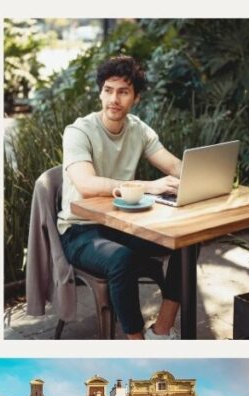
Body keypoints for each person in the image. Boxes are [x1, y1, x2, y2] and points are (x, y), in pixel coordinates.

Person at [57, 55, 183, 340]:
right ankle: (136, 345)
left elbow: (173, 165)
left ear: (135, 98)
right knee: (120, 259)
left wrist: (201, 178)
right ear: (100, 92)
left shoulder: (138, 129)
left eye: (123, 92)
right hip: (80, 230)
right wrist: (147, 185)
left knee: (186, 242)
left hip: (122, 224)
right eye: (108, 90)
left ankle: (162, 330)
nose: (114, 99)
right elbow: (86, 185)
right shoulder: (79, 131)